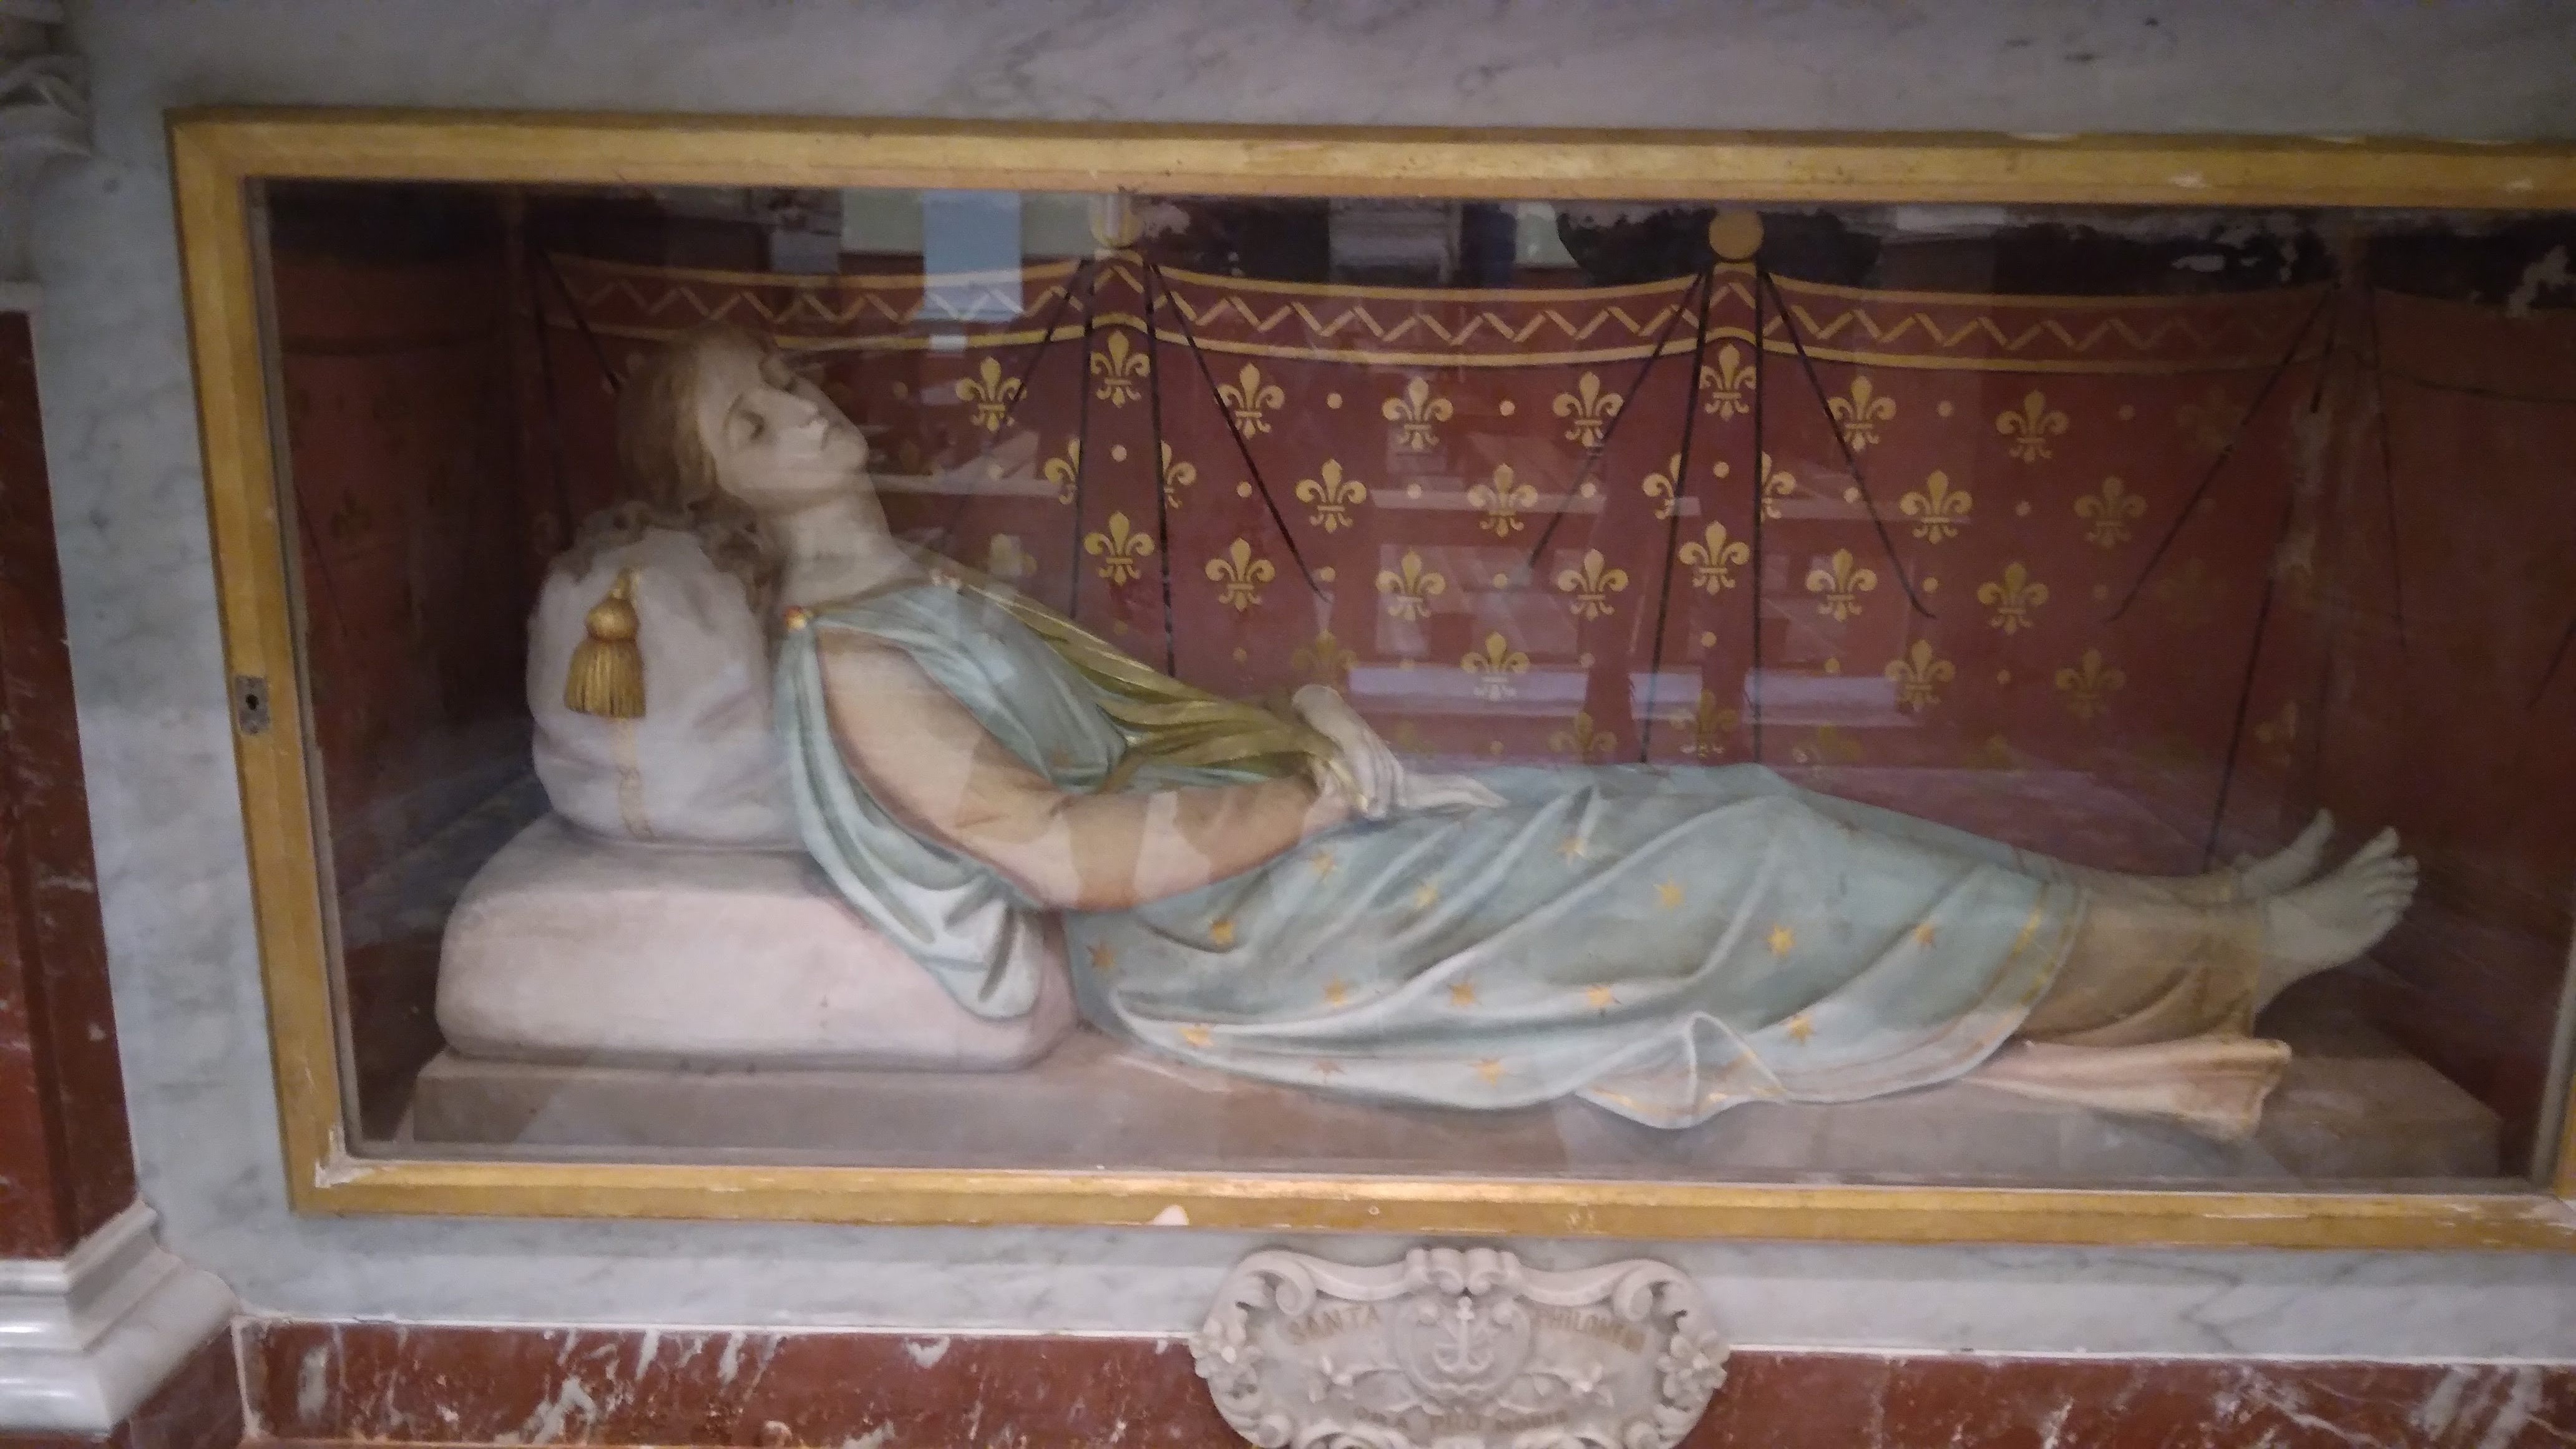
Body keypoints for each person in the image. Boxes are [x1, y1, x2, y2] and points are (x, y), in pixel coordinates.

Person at [598, 323, 2417, 1138]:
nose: (806, 411)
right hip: (1216, 937)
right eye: (757, 423)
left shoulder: (925, 588)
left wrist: (1301, 722)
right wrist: (1315, 797)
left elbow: (1152, 739)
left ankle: (2191, 926)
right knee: (1750, 852)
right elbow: (1064, 852)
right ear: (727, 500)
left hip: (1258, 859)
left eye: (790, 381)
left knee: (1725, 806)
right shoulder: (853, 663)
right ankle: (2210, 963)